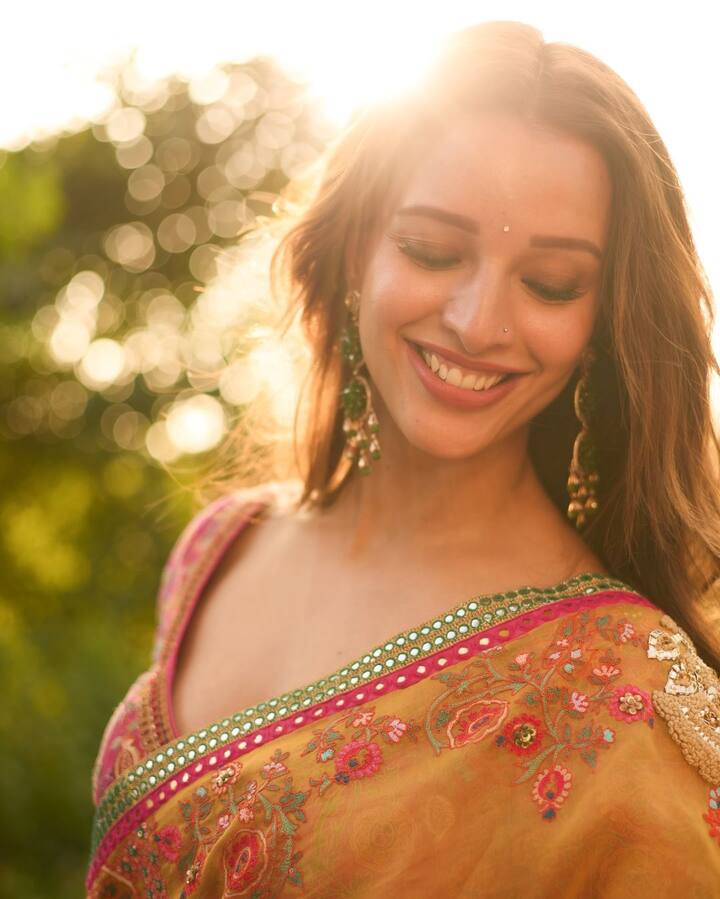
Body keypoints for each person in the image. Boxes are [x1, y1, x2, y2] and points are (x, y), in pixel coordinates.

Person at [86, 20, 720, 897]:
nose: (478, 322)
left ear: (602, 326)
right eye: (432, 250)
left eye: (550, 283)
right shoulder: (218, 549)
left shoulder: (626, 699)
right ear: (354, 249)